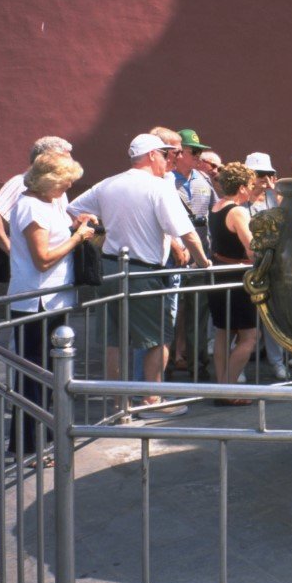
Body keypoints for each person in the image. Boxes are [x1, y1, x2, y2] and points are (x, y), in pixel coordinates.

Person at [67, 133, 210, 419]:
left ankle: (119, 405)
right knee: (158, 338)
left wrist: (92, 226)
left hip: (109, 268)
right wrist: (204, 262)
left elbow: (74, 209)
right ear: (152, 155)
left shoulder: (108, 183)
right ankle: (151, 400)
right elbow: (187, 233)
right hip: (143, 271)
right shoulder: (158, 188)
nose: (170, 159)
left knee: (114, 339)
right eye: (166, 154)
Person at [6, 152, 97, 463]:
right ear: (48, 181)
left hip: (50, 299)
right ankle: (28, 447)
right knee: (33, 376)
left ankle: (42, 442)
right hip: (35, 300)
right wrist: (78, 239)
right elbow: (42, 258)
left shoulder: (48, 203)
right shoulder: (30, 206)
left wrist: (80, 226)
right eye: (64, 181)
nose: (69, 185)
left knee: (47, 374)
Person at [206, 162, 259, 405]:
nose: (252, 189)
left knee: (223, 333)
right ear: (241, 187)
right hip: (237, 279)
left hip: (219, 276)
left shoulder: (216, 207)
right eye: (250, 185)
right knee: (250, 337)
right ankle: (228, 389)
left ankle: (222, 388)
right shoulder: (238, 212)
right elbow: (252, 251)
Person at [168, 128, 217, 379]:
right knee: (170, 313)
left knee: (198, 313)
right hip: (174, 253)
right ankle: (165, 365)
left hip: (201, 251)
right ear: (179, 153)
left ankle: (198, 366)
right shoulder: (166, 181)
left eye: (200, 151)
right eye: (194, 151)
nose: (199, 156)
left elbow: (214, 211)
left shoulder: (203, 180)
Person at [0, 136, 73, 256]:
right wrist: (10, 250)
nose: (71, 165)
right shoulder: (21, 182)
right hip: (23, 264)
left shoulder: (58, 186)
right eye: (65, 160)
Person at [243, 152, 289, 380]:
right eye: (259, 174)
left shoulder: (271, 197)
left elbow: (286, 216)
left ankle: (277, 362)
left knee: (273, 317)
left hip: (272, 264)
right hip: (249, 265)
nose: (264, 179)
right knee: (244, 320)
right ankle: (238, 366)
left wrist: (274, 190)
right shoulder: (242, 200)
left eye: (268, 174)